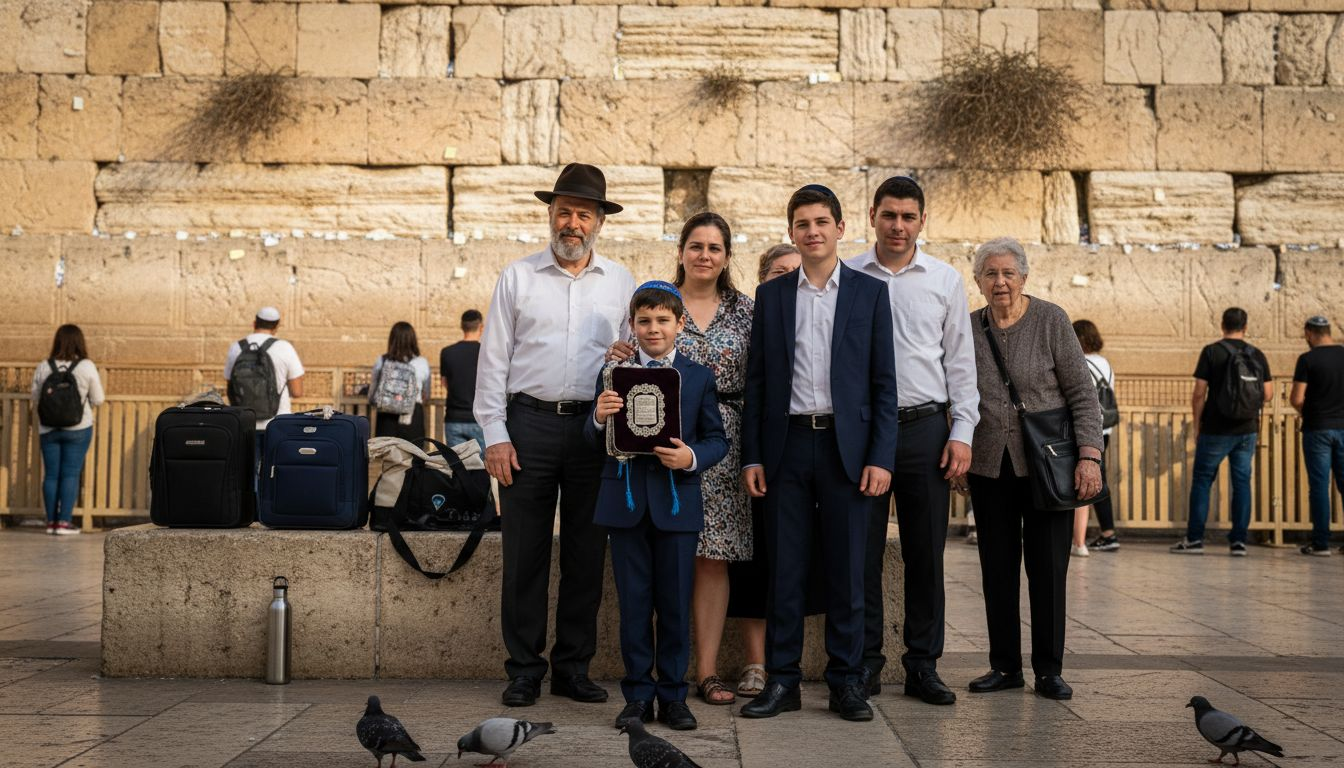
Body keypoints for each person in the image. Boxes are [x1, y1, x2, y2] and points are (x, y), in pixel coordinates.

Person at [474, 163, 636, 707]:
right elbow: (493, 362)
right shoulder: (516, 277)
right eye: (564, 211)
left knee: (588, 554)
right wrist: (495, 435)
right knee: (525, 554)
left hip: (595, 428)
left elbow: (635, 355)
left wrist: (626, 357)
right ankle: (524, 669)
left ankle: (573, 668)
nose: (572, 223)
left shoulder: (621, 282)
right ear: (550, 214)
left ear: (599, 223)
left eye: (583, 214)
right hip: (528, 427)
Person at [739, 184, 900, 723]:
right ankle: (782, 682)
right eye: (802, 223)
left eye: (821, 222)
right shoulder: (773, 297)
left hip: (846, 449)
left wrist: (881, 457)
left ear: (840, 228)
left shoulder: (869, 294)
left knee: (849, 570)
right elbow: (757, 383)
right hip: (786, 446)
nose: (812, 231)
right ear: (791, 232)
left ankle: (847, 682)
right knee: (783, 569)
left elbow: (884, 385)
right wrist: (752, 456)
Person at [607, 213, 756, 706]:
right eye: (696, 246)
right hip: (652, 452)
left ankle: (706, 672)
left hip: (719, 441)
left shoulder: (745, 311)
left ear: (728, 256)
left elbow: (762, 379)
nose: (705, 255)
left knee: (713, 558)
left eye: (715, 248)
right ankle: (648, 684)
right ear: (681, 251)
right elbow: (623, 369)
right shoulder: (656, 304)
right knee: (665, 563)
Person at [844, 176, 977, 705]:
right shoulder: (847, 273)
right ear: (872, 215)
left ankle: (922, 664)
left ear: (923, 221)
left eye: (908, 216)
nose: (898, 225)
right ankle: (866, 663)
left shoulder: (944, 280)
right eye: (889, 215)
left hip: (925, 429)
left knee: (927, 555)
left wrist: (962, 431)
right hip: (861, 431)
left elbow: (960, 362)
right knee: (862, 554)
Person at [963, 237, 1103, 702]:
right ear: (979, 280)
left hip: (1046, 466)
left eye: (1008, 273)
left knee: (1047, 571)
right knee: (996, 571)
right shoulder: (968, 327)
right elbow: (956, 394)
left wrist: (1090, 455)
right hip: (988, 466)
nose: (999, 282)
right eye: (990, 274)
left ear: (1024, 277)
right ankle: (1004, 667)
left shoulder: (1051, 320)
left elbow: (1083, 393)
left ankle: (1048, 669)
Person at [586, 281, 728, 732]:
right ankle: (636, 696)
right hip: (625, 504)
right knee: (633, 605)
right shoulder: (612, 375)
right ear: (632, 324)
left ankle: (673, 695)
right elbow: (590, 441)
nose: (653, 329)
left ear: (679, 324)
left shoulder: (699, 376)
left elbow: (716, 441)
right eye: (644, 321)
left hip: (676, 504)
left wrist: (691, 458)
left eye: (663, 320)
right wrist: (598, 417)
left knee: (673, 604)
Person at [725, 241, 821, 699]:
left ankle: (789, 662)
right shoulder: (744, 313)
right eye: (779, 272)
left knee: (791, 557)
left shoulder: (815, 312)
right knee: (754, 558)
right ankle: (757, 661)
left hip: (793, 446)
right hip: (744, 445)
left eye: (794, 271)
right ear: (763, 278)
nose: (788, 278)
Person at [1172, 307, 1272, 556]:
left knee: (1203, 482)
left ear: (1222, 325)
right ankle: (1238, 542)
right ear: (1245, 327)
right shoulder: (1256, 354)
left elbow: (1198, 393)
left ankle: (1195, 539)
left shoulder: (1212, 351)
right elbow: (1268, 394)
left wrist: (1198, 425)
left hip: (1215, 429)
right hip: (1247, 430)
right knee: (1241, 483)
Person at [30, 324, 105, 535]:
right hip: (79, 427)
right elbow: (98, 399)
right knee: (70, 474)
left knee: (51, 474)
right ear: (80, 342)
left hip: (49, 427)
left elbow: (35, 397)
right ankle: (64, 523)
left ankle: (51, 522)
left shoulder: (45, 366)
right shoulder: (86, 366)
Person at [223, 306, 305, 472]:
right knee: (274, 472)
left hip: (245, 423)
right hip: (277, 424)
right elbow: (297, 391)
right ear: (276, 327)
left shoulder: (237, 347)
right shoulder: (284, 347)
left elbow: (230, 388)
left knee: (247, 474)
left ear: (254, 323)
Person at [1290, 315, 1344, 556]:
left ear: (1310, 333)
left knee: (1319, 486)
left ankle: (1321, 543)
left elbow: (1297, 398)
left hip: (1317, 428)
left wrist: (1308, 413)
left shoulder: (1307, 359)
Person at [1072, 319, 1119, 555]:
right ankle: (1108, 533)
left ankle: (1082, 539)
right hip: (1105, 429)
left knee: (1087, 480)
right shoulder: (1105, 363)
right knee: (1100, 478)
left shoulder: (1079, 363)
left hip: (1085, 430)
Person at [370, 321, 432, 442]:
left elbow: (372, 393)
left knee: (385, 456)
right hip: (412, 415)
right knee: (414, 457)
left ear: (392, 339)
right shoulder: (422, 362)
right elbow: (426, 395)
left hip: (386, 416)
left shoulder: (382, 360)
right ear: (413, 339)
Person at [441, 309, 485, 451]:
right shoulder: (487, 353)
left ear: (462, 326)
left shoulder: (447, 352)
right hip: (480, 419)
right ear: (481, 327)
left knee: (458, 470)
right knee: (482, 469)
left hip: (454, 418)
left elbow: (445, 383)